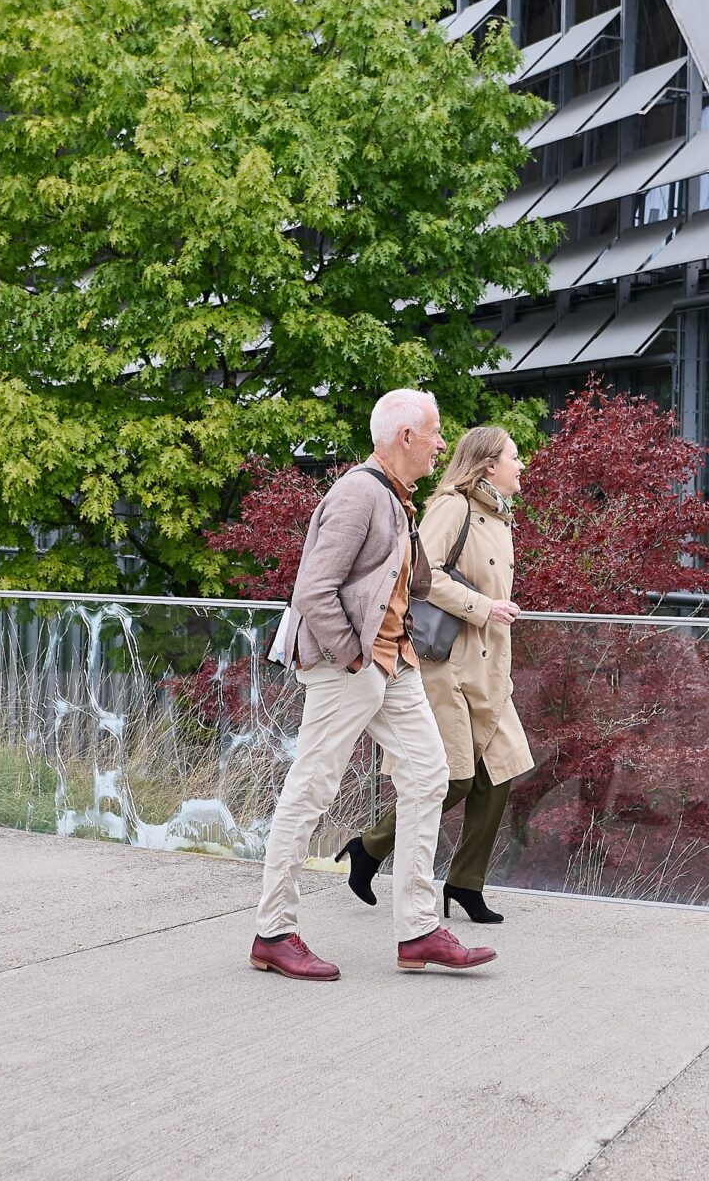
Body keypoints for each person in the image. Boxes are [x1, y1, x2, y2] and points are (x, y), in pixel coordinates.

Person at [250, 389, 498, 980]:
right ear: (404, 437)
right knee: (311, 789)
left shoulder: (399, 498)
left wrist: (477, 607)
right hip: (355, 665)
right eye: (435, 433)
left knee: (430, 777)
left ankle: (417, 932)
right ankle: (273, 932)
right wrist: (353, 657)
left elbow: (413, 581)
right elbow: (313, 589)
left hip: (395, 663)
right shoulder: (359, 493)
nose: (443, 444)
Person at [339, 426, 534, 922]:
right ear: (489, 465)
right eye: (514, 457)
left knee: (500, 774)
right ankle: (370, 847)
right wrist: (483, 606)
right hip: (449, 665)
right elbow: (421, 574)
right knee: (454, 780)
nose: (522, 464)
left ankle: (466, 883)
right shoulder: (453, 506)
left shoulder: (499, 515)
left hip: (489, 669)